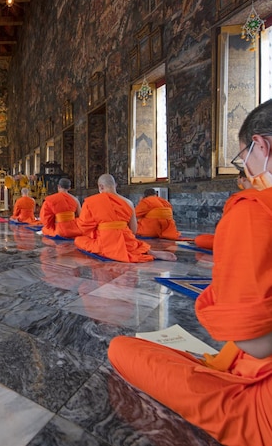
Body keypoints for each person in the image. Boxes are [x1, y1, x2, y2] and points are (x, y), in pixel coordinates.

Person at [108, 100, 272, 446]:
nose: (247, 170)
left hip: (262, 409)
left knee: (123, 348)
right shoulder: (136, 203)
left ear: (263, 146)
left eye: (245, 158)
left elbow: (255, 345)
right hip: (154, 231)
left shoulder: (255, 213)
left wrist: (221, 297)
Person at [74, 174, 176, 262]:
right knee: (133, 244)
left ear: (100, 187)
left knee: (79, 240)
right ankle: (148, 251)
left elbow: (84, 227)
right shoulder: (128, 202)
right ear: (115, 186)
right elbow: (134, 230)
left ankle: (117, 248)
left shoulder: (92, 201)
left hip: (106, 241)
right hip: (126, 240)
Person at [194, 171, 251, 251]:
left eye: (238, 178)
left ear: (243, 179)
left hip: (236, 240)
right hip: (258, 240)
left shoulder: (236, 199)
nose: (237, 181)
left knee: (199, 240)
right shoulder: (264, 195)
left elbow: (225, 225)